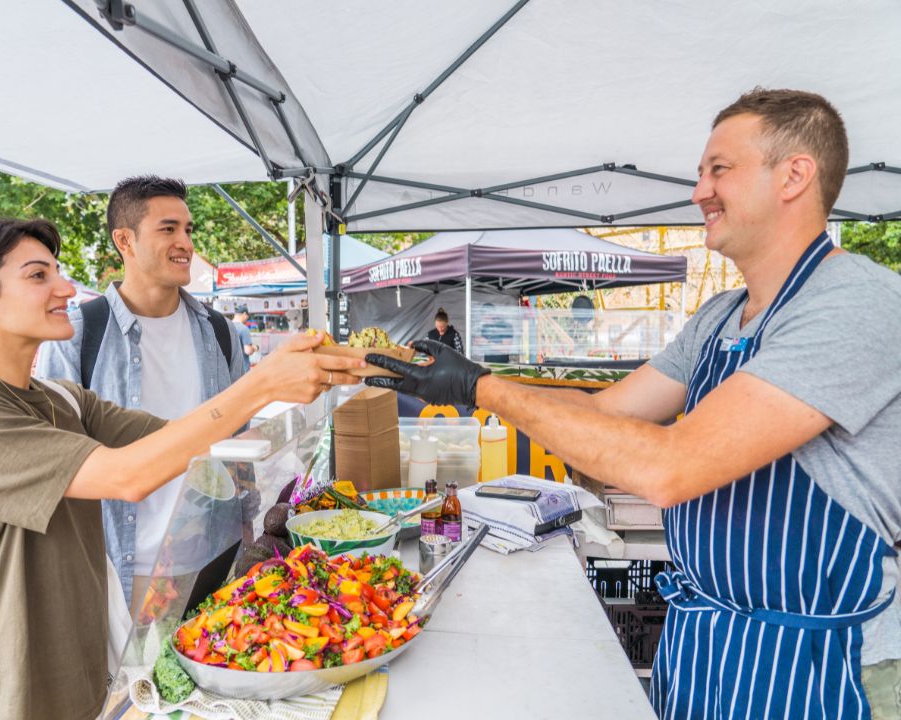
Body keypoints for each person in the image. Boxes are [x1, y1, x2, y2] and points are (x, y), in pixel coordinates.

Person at [365, 89, 901, 719]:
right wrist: (466, 382)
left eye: (718, 169)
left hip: (822, 663)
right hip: (705, 643)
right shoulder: (720, 315)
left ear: (794, 175)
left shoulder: (856, 302)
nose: (699, 190)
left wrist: (479, 387)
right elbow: (608, 411)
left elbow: (673, 468)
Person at [0, 218, 362, 720]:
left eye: (58, 271)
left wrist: (323, 369)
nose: (65, 288)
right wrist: (260, 386)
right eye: (38, 276)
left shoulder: (63, 399)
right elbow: (126, 476)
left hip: (82, 678)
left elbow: (186, 440)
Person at [36, 175, 248, 613]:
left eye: (189, 230)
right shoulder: (76, 335)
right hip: (119, 568)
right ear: (124, 240)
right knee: (128, 684)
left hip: (213, 560)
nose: (185, 243)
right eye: (168, 229)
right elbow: (55, 459)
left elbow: (240, 448)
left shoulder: (221, 334)